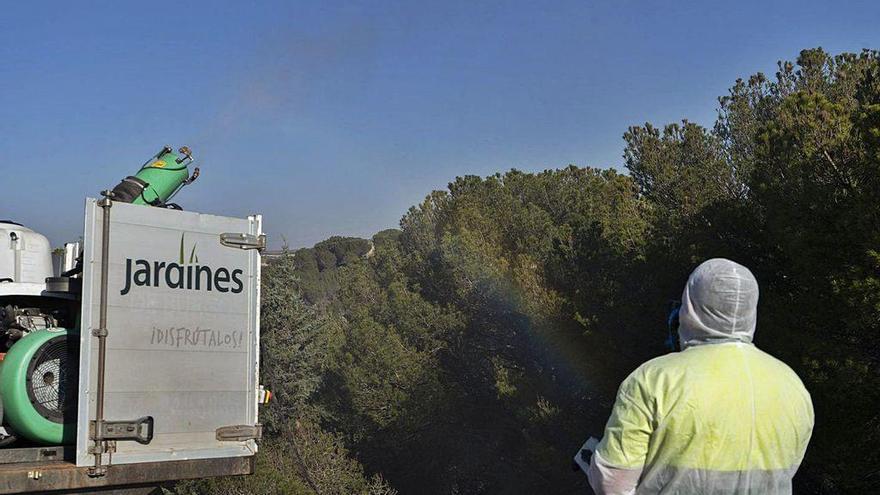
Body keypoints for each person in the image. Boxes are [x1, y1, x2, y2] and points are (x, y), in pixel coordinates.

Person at [587, 258, 814, 494]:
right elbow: (786, 471)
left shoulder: (652, 379)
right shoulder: (792, 384)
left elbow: (612, 482)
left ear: (690, 306)